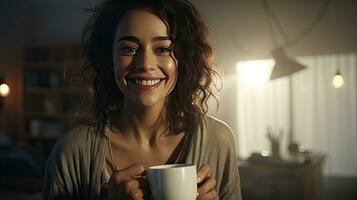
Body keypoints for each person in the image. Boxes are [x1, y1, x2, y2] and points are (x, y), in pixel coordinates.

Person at [42, 0, 242, 199]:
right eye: (129, 48)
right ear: (109, 58)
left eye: (162, 49)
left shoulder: (217, 141)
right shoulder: (72, 150)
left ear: (184, 59)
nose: (145, 64)